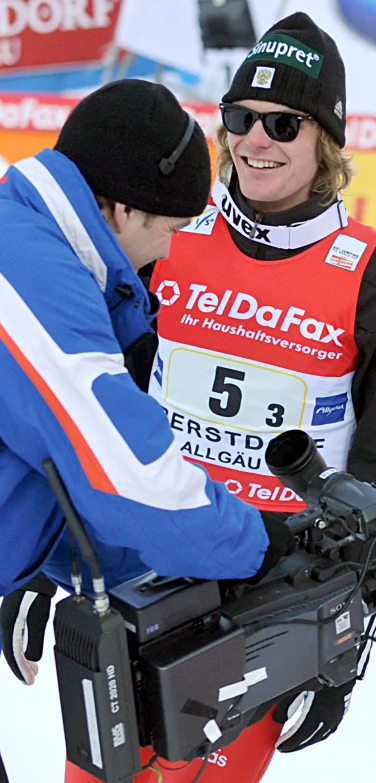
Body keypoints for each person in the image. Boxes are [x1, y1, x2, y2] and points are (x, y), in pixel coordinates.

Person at [67, 13, 376, 783]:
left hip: (269, 594)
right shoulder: (168, 238)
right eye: (240, 118)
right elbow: (97, 403)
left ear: (325, 140)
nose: (255, 141)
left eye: (283, 123)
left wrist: (341, 642)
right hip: (145, 569)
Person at [0, 80, 291, 694]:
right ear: (125, 210)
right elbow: (127, 480)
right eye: (175, 227)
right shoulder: (26, 274)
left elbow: (53, 472)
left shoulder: (30, 238)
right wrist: (261, 548)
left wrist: (82, 570)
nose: (171, 249)